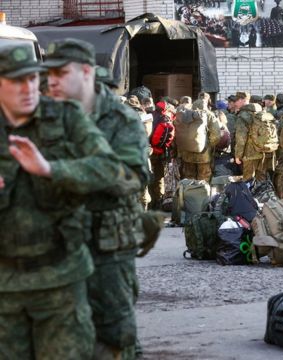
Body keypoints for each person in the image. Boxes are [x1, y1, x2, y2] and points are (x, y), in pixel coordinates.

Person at [0, 42, 130, 359]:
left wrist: (50, 169)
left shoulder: (66, 117)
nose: (29, 88)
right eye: (18, 81)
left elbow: (110, 168)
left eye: (33, 79)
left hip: (60, 278)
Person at [45, 38, 150, 360]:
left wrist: (65, 172)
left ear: (87, 72)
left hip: (107, 245)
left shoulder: (121, 120)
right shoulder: (47, 119)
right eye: (48, 74)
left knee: (113, 333)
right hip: (58, 241)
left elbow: (133, 179)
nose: (51, 81)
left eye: (61, 73)